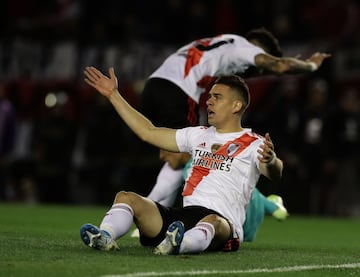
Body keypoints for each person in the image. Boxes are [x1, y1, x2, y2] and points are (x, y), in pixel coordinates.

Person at [80, 66, 283, 255]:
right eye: (210, 96)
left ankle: (180, 244)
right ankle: (105, 235)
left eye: (217, 97)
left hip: (223, 225)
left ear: (236, 106)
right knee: (126, 197)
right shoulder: (198, 135)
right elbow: (148, 132)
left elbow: (273, 171)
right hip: (183, 218)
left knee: (214, 221)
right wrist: (114, 95)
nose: (209, 101)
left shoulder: (254, 143)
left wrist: (271, 159)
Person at [142, 27, 331, 207]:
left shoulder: (226, 42)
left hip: (154, 85)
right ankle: (146, 210)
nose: (258, 69)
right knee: (182, 156)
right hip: (179, 91)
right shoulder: (246, 48)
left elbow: (253, 71)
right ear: (260, 48)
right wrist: (310, 65)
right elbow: (279, 66)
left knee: (174, 154)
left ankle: (154, 215)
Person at [131, 150, 289, 241]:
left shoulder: (195, 166)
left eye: (165, 150)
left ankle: (273, 204)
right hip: (237, 211)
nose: (161, 156)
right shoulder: (196, 164)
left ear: (181, 150)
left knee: (242, 234)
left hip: (244, 209)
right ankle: (271, 204)